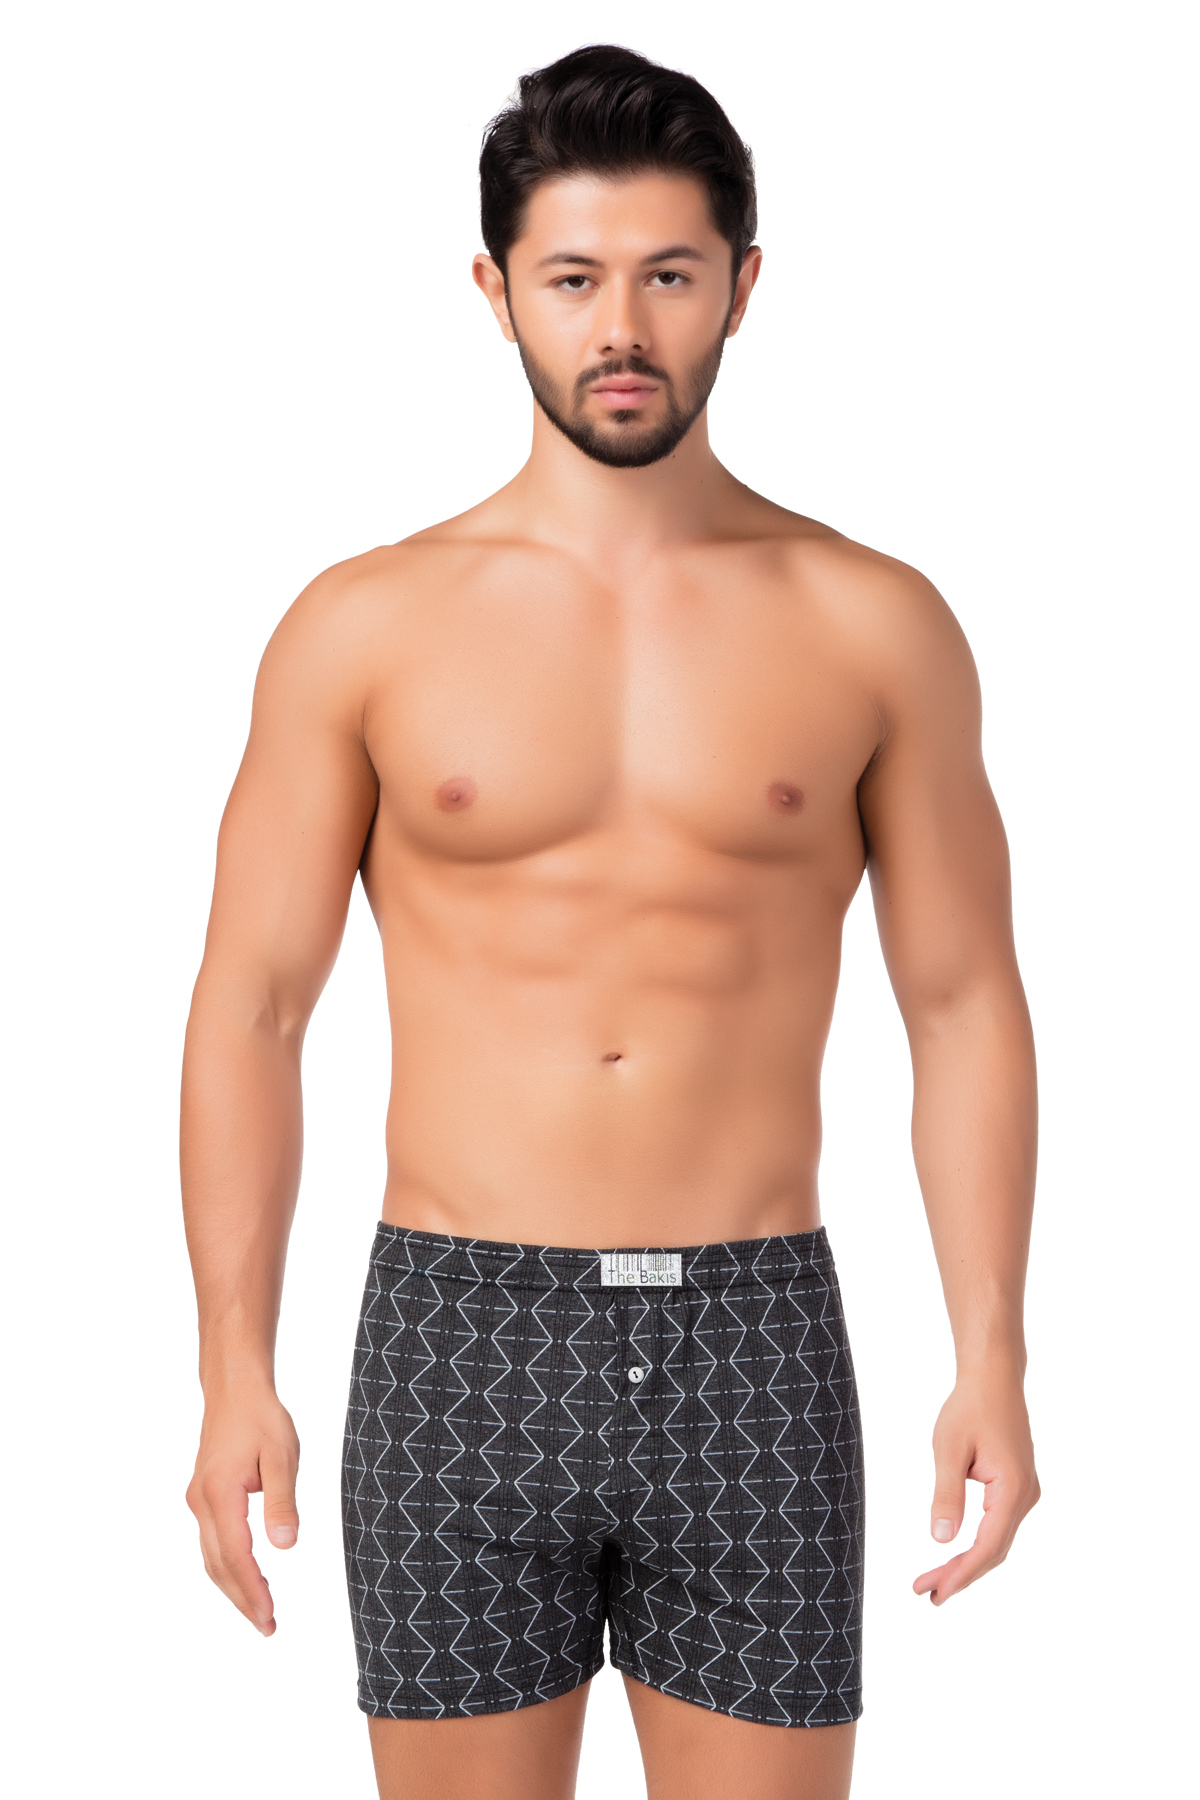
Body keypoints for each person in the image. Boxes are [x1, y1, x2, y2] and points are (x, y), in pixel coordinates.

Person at [181, 43, 1040, 1800]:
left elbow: (961, 1002)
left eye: (669, 274)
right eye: (574, 279)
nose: (624, 326)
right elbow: (254, 1004)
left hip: (756, 1344)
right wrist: (229, 1367)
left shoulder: (875, 624)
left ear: (744, 284)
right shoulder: (364, 627)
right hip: (456, 1337)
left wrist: (995, 1355)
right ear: (496, 291)